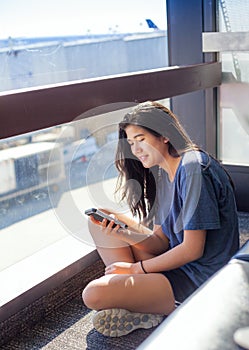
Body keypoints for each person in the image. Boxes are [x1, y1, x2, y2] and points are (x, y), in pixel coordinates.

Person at [82, 101, 240, 337]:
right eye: (131, 142)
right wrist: (121, 232)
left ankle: (147, 303)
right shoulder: (163, 172)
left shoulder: (193, 169)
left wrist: (135, 270)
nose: (135, 150)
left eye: (141, 139)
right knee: (101, 222)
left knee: (93, 294)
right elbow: (160, 241)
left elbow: (192, 250)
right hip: (175, 263)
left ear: (164, 135)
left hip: (199, 280)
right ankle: (141, 301)